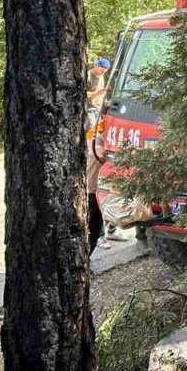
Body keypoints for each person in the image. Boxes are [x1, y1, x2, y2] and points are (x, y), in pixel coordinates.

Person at [85, 57, 110, 254]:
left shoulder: (105, 129)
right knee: (93, 216)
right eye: (101, 69)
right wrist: (99, 93)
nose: (102, 73)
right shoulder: (89, 75)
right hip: (92, 188)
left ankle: (106, 234)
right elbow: (84, 96)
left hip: (100, 186)